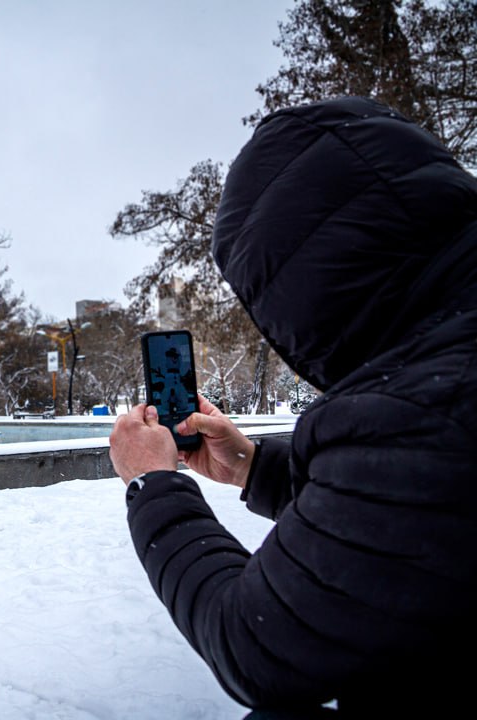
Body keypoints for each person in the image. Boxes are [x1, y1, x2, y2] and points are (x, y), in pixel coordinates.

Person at [109, 96, 477, 717]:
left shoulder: (421, 405)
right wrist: (252, 467)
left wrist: (153, 485)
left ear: (299, 284)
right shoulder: (445, 362)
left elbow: (258, 646)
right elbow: (408, 521)